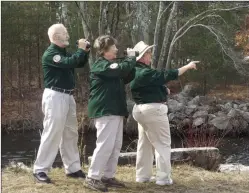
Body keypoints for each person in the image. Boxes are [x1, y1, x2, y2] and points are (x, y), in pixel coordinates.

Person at [130, 41, 198, 186]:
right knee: (162, 144)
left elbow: (148, 86)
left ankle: (142, 176)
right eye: (148, 54)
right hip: (153, 110)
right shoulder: (146, 72)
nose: (150, 56)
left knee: (145, 143)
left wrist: (163, 90)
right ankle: (163, 178)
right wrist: (188, 66)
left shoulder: (134, 71)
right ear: (142, 57)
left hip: (140, 110)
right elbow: (168, 74)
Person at [33, 23, 90, 183]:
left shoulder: (63, 53)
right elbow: (69, 63)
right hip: (55, 96)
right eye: (65, 33)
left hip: (67, 96)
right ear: (57, 36)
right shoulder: (51, 54)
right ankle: (40, 170)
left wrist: (84, 51)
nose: (68, 36)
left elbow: (78, 62)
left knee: (71, 132)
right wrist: (80, 50)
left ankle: (72, 168)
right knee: (52, 132)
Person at [86, 35, 137, 192]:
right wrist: (131, 58)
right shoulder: (101, 65)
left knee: (115, 146)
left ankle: (108, 176)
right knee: (105, 145)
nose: (116, 49)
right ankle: (92, 177)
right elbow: (120, 70)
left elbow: (127, 74)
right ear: (105, 49)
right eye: (114, 46)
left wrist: (135, 61)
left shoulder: (112, 66)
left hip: (115, 111)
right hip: (105, 110)